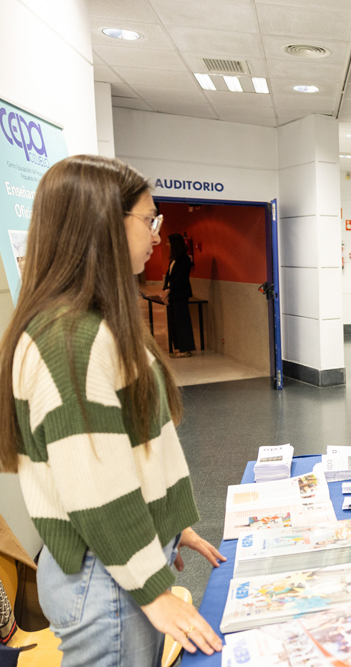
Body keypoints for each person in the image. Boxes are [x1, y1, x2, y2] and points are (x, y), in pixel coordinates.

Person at [0, 155, 226, 666]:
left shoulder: (94, 322)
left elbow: (134, 450)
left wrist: (172, 524)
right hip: (106, 584)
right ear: (103, 224)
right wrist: (153, 588)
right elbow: (94, 487)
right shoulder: (70, 340)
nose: (155, 233)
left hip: (118, 565)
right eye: (149, 219)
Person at [162, 232, 195, 358]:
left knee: (182, 321)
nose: (167, 244)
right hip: (173, 294)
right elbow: (169, 276)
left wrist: (169, 290)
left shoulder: (185, 259)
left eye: (168, 242)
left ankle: (185, 348)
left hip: (180, 294)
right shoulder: (173, 259)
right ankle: (179, 346)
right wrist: (166, 290)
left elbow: (180, 279)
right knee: (174, 321)